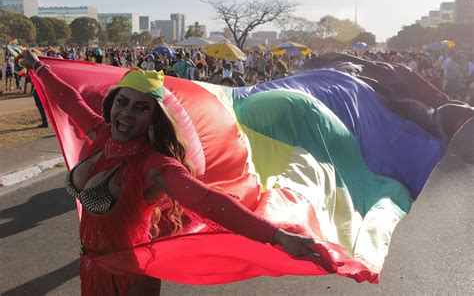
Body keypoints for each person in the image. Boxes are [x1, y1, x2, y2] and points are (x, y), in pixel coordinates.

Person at [18, 49, 317, 295]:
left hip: (130, 281)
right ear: (111, 104)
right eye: (122, 102)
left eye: (140, 108)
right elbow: (70, 101)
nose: (126, 114)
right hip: (91, 269)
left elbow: (210, 202)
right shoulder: (101, 135)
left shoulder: (155, 167)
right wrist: (38, 68)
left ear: (153, 118)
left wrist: (276, 235)